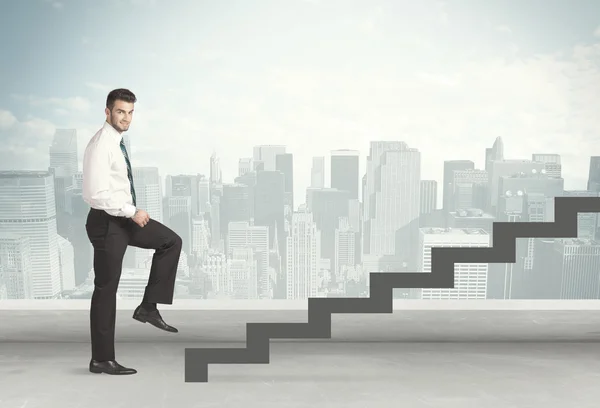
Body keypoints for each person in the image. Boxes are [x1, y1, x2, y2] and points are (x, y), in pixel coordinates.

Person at [82, 88, 183, 375]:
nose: (126, 118)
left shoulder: (117, 142)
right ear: (107, 112)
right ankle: (101, 359)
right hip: (107, 222)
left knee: (170, 242)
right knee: (106, 290)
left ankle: (148, 307)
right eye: (120, 111)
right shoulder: (101, 144)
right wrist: (132, 211)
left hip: (123, 219)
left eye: (130, 112)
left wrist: (129, 212)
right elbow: (95, 194)